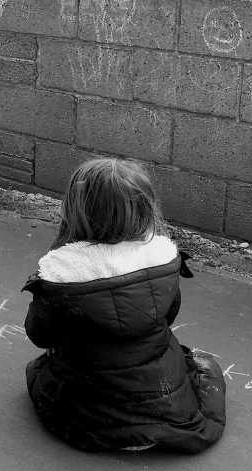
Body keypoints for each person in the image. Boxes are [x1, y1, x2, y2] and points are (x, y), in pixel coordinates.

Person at [23, 158, 226, 453]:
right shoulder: (163, 260)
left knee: (39, 370)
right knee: (195, 363)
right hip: (167, 405)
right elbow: (169, 315)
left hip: (88, 419)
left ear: (75, 210)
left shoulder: (60, 277)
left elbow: (40, 335)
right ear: (145, 210)